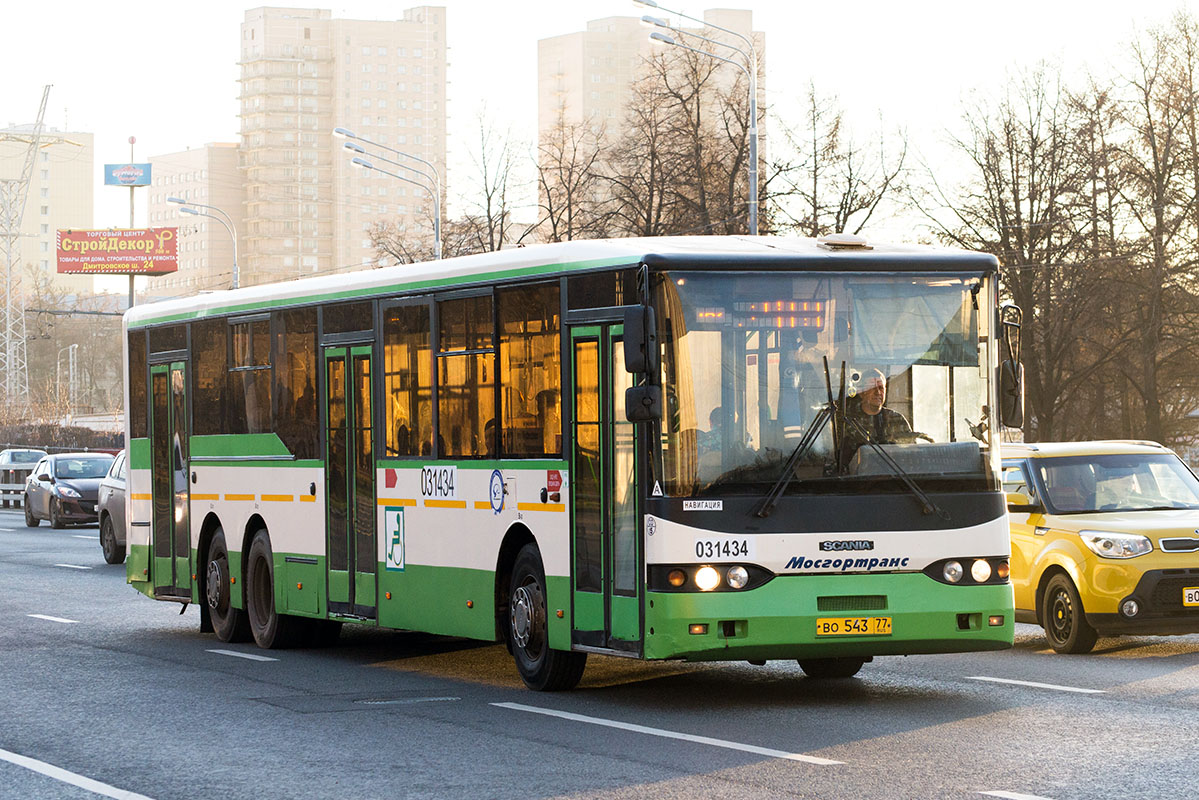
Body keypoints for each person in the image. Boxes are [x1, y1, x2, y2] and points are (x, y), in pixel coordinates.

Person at [839, 368, 927, 464]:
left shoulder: (897, 419)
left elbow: (911, 453)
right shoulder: (848, 420)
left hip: (895, 475)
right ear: (861, 392)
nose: (878, 392)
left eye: (881, 388)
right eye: (872, 388)